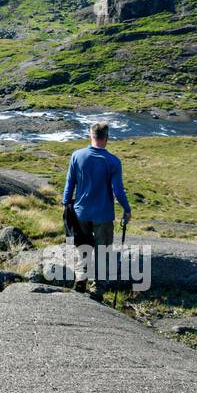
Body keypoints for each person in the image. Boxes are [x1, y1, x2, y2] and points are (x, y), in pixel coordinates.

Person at [62, 121, 131, 294]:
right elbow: (117, 189)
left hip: (81, 212)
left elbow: (70, 183)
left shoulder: (77, 156)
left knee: (83, 248)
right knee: (103, 252)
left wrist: (65, 204)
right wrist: (127, 209)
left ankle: (81, 278)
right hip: (103, 215)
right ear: (107, 138)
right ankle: (97, 289)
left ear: (90, 135)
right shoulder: (113, 161)